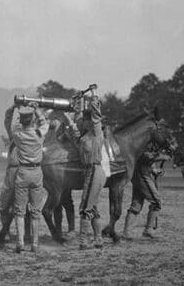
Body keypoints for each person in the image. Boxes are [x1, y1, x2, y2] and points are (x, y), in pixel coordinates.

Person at [64, 85, 106, 250]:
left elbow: (96, 114)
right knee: (92, 207)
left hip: (95, 170)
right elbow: (76, 138)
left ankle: (83, 241)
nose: (84, 121)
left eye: (86, 120)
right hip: (90, 171)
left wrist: (94, 95)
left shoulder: (96, 132)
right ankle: (98, 240)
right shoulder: (85, 137)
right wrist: (68, 120)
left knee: (84, 208)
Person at [7, 102, 49, 253]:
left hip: (22, 172)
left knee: (20, 211)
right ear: (32, 120)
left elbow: (13, 125)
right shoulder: (39, 134)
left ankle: (20, 244)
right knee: (36, 211)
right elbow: (44, 123)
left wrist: (18, 109)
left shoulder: (18, 135)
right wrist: (36, 110)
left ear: (22, 120)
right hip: (37, 172)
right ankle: (35, 244)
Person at [123, 144, 170, 239]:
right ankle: (148, 230)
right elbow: (145, 156)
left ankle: (127, 232)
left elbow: (148, 161)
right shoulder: (143, 142)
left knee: (136, 205)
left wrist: (154, 170)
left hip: (140, 175)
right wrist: (163, 156)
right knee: (157, 202)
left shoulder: (148, 141)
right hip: (142, 175)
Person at [0, 105, 19, 246]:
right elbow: (7, 120)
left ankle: (11, 233)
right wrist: (13, 107)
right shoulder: (15, 135)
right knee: (4, 205)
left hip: (21, 173)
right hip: (12, 172)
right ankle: (7, 231)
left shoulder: (31, 134)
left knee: (19, 206)